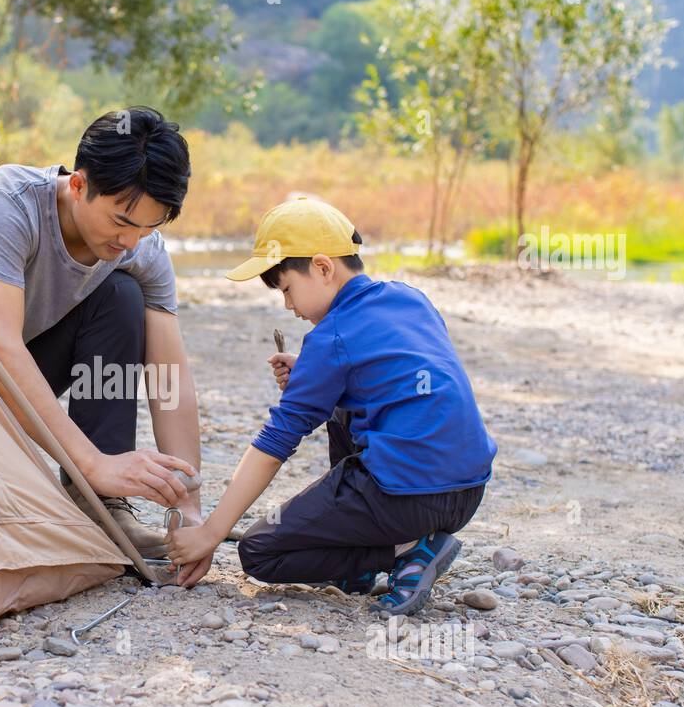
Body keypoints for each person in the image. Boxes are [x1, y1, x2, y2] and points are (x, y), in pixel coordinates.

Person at [166, 196, 496, 615]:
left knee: (260, 552)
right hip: (468, 490)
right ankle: (369, 562)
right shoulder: (410, 298)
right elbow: (396, 370)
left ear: (322, 268)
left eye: (287, 289)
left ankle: (405, 551)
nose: (288, 306)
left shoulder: (331, 338)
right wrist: (312, 372)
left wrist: (213, 531)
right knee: (345, 405)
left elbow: (275, 443)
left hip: (406, 497)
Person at [0, 107, 208, 581]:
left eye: (148, 228)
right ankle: (90, 476)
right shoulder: (4, 206)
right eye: (122, 221)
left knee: (121, 294)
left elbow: (169, 377)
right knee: (108, 294)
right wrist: (94, 462)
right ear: (78, 185)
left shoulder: (138, 249)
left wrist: (191, 506)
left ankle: (100, 505)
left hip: (5, 385)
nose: (132, 241)